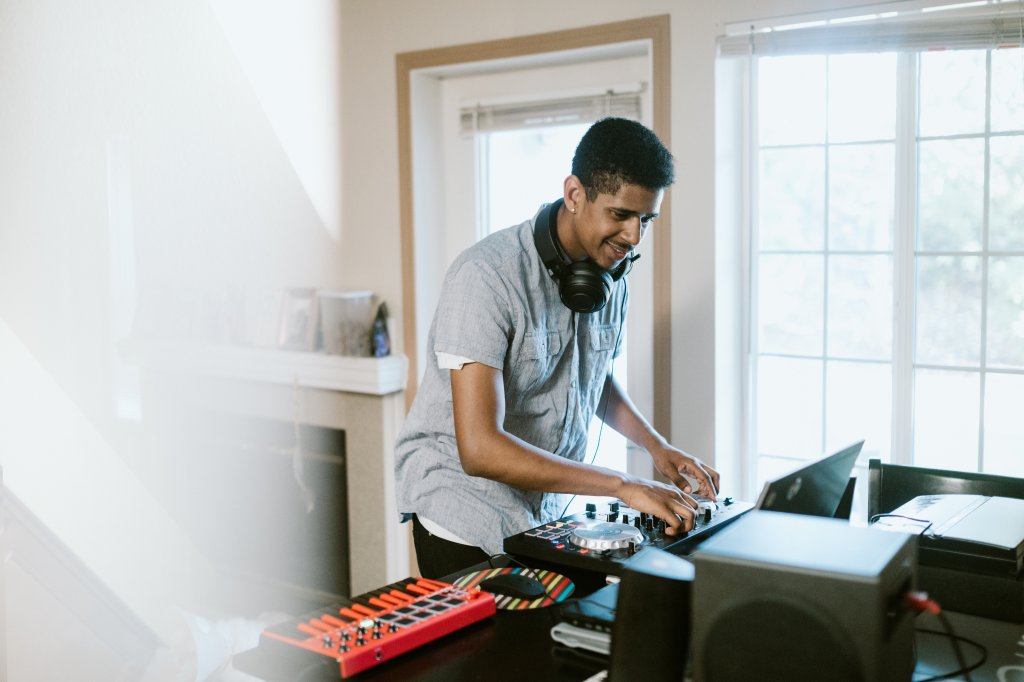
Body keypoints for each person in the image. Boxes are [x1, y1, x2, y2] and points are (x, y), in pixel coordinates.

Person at [394, 117, 720, 579]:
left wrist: (655, 445)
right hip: (463, 513)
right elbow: (480, 449)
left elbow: (590, 374)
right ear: (574, 194)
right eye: (621, 215)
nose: (634, 237)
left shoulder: (611, 275)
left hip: (539, 510)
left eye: (646, 219)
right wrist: (622, 485)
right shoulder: (485, 278)